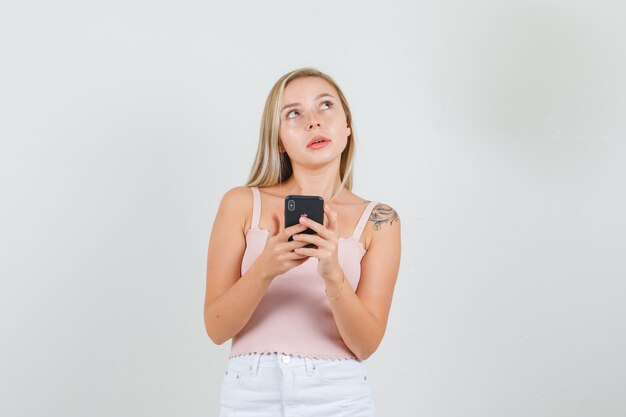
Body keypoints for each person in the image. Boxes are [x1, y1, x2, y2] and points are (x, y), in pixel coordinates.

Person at [204, 67, 401, 417]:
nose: (313, 122)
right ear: (279, 139)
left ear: (347, 126)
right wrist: (265, 268)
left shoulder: (379, 220)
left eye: (325, 106)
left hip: (338, 395)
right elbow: (216, 328)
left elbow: (366, 343)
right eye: (294, 113)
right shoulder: (240, 204)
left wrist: (333, 274)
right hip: (250, 394)